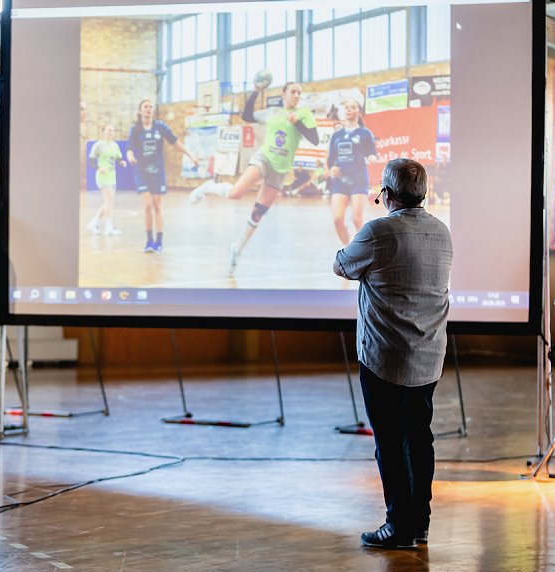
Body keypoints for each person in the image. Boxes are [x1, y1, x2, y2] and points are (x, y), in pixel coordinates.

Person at [333, 158, 453, 550]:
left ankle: (398, 526)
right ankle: (419, 524)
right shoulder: (441, 231)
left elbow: (342, 266)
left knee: (390, 441)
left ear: (386, 194)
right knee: (420, 439)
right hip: (429, 356)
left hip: (386, 358)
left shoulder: (378, 231)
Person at [189, 81, 319, 274]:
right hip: (264, 158)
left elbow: (314, 139)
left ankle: (237, 249)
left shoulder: (304, 114)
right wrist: (255, 92)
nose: (296, 95)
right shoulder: (272, 112)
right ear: (284, 94)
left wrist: (297, 122)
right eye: (293, 91)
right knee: (235, 193)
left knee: (257, 213)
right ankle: (207, 187)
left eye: (299, 93)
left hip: (281, 169)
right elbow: (247, 115)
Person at [126, 99, 199, 253]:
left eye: (151, 107)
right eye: (145, 107)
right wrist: (130, 157)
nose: (148, 109)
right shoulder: (135, 130)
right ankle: (149, 240)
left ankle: (159, 241)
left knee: (157, 206)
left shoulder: (160, 127)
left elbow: (175, 142)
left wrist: (191, 156)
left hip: (157, 171)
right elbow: (129, 149)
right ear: (140, 111)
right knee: (147, 205)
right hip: (142, 171)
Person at [326, 99, 379, 245]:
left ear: (359, 112)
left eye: (353, 107)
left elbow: (371, 152)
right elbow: (330, 159)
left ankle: (365, 249)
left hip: (358, 179)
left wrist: (372, 157)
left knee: (357, 219)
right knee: (337, 219)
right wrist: (332, 169)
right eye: (347, 107)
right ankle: (348, 249)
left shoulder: (365, 133)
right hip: (340, 181)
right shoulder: (337, 135)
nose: (349, 109)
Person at [87, 124, 127, 235]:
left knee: (108, 202)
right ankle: (109, 227)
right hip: (102, 176)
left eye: (112, 131)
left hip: (112, 175)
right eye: (109, 130)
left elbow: (118, 159)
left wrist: (122, 162)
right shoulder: (98, 145)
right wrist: (99, 168)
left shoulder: (115, 145)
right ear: (103, 131)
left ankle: (93, 223)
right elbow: (91, 161)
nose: (111, 133)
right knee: (109, 200)